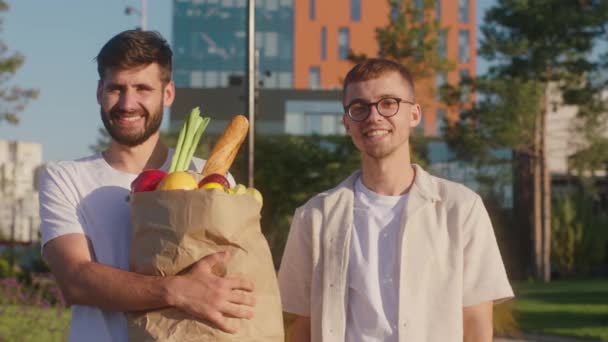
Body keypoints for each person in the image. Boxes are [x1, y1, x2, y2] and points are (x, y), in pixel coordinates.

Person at [39, 30, 255, 342]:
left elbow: (229, 280)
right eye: (116, 88)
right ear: (99, 91)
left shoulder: (209, 178)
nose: (128, 103)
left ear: (167, 94)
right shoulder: (65, 177)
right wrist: (176, 291)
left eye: (143, 88)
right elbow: (75, 280)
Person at [278, 58, 514, 342]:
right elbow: (301, 325)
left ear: (414, 115)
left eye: (388, 103)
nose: (373, 116)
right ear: (346, 123)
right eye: (359, 108)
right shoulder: (314, 216)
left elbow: (476, 322)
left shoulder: (461, 208)